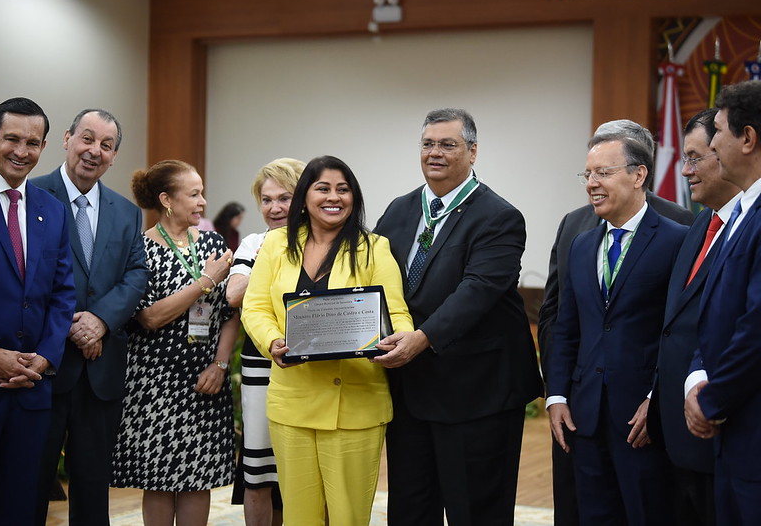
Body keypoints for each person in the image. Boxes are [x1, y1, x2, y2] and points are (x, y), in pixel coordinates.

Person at [373, 108, 544, 526]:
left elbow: (478, 290)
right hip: (410, 389)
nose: (435, 153)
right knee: (411, 509)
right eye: (428, 144)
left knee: (475, 511)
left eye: (447, 144)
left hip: (476, 392)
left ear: (472, 151)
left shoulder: (498, 216)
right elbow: (371, 282)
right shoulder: (399, 210)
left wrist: (423, 337)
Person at [537, 119, 694, 526]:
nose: (592, 183)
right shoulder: (581, 242)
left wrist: (656, 398)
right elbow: (565, 324)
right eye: (587, 174)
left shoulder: (678, 239)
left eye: (603, 173)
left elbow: (680, 331)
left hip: (642, 419)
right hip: (584, 417)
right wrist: (556, 396)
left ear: (638, 174)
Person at [241, 155, 413, 526]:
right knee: (298, 518)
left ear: (354, 198)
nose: (333, 197)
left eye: (343, 189)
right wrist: (272, 342)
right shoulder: (275, 244)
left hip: (355, 404)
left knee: (348, 518)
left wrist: (399, 340)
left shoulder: (374, 247)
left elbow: (395, 311)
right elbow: (253, 308)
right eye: (322, 188)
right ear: (304, 197)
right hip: (292, 402)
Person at [0, 97, 76, 525]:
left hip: (31, 390)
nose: (21, 151)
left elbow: (64, 293)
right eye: (12, 139)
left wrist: (44, 358)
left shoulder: (53, 211)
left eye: (32, 142)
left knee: (22, 510)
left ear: (44, 147)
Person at [32, 108, 149, 526]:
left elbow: (137, 275)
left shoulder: (126, 211)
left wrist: (99, 320)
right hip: (42, 366)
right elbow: (23, 275)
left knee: (92, 487)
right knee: (30, 484)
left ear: (115, 156)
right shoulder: (31, 194)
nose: (94, 151)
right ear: (66, 139)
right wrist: (72, 326)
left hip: (101, 372)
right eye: (87, 138)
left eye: (106, 145)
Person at [111, 159, 235, 526]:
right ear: (166, 199)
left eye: (202, 193)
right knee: (159, 478)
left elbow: (229, 314)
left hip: (207, 378)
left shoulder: (213, 243)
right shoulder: (140, 248)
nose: (202, 201)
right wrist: (205, 282)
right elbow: (148, 316)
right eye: (193, 194)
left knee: (199, 478)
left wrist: (221, 365)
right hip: (154, 381)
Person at [645, 109, 740, 526]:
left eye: (696, 157)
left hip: (719, 428)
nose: (685, 171)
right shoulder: (698, 226)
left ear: (727, 151)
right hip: (674, 433)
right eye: (683, 158)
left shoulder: (744, 228)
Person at [684, 80, 761, 525]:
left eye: (717, 131)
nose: (711, 144)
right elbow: (714, 317)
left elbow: (755, 328)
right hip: (733, 437)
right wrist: (696, 381)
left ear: (747, 139)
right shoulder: (737, 215)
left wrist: (712, 401)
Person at [226, 158, 304, 526]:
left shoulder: (324, 241)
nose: (274, 208)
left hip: (312, 368)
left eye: (285, 198)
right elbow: (235, 294)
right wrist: (269, 258)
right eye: (267, 199)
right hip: (261, 365)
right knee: (258, 472)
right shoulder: (255, 242)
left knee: (303, 472)